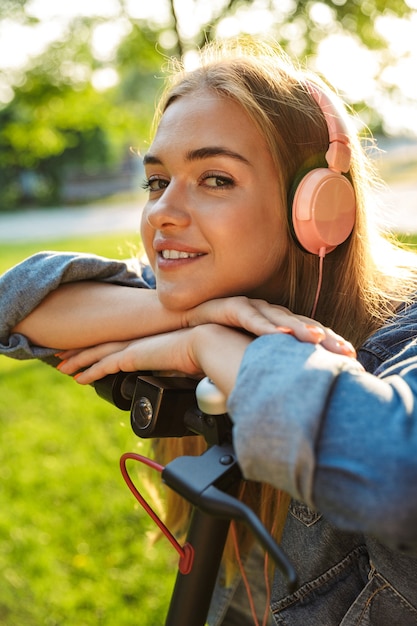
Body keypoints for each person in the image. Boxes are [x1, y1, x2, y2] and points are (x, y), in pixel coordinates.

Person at [1, 38, 417, 625]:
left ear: (320, 209)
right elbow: (15, 305)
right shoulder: (205, 293)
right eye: (156, 181)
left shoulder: (404, 337)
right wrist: (191, 317)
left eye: (215, 178)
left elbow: (394, 472)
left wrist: (208, 347)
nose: (163, 212)